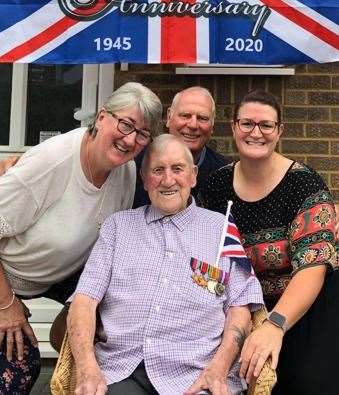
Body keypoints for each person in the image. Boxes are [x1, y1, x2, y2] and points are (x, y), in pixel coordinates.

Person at [67, 134, 263, 395]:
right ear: (145, 180)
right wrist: (87, 368)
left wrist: (218, 367)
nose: (168, 180)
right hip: (121, 370)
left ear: (193, 176)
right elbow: (85, 300)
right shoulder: (118, 227)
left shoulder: (221, 229)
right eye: (158, 170)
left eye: (177, 169)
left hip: (195, 374)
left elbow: (240, 307)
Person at [0, 81, 162, 393]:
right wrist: (6, 305)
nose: (130, 140)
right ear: (102, 117)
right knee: (20, 369)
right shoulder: (54, 161)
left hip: (59, 275)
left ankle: (71, 364)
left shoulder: (125, 172)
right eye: (125, 124)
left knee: (110, 327)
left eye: (142, 134)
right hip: (9, 274)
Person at [199, 89, 339, 395]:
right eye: (247, 123)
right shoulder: (216, 186)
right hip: (239, 308)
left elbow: (313, 266)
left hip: (302, 305)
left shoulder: (304, 183)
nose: (256, 133)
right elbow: (202, 256)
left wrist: (274, 325)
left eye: (266, 125)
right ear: (234, 127)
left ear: (279, 131)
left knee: (306, 383)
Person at [133, 86, 230, 207]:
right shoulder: (136, 164)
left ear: (212, 125)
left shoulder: (223, 174)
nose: (193, 125)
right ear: (169, 117)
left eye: (202, 118)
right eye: (185, 115)